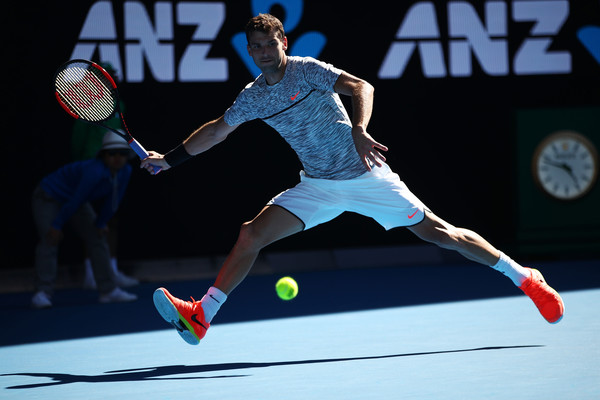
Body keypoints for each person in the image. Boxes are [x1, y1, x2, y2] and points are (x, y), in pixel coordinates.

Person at [141, 14, 564, 345]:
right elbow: (216, 130)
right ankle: (201, 317)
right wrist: (170, 160)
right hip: (318, 186)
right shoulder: (253, 96)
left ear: (283, 43)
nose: (265, 52)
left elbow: (361, 86)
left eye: (271, 44)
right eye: (257, 47)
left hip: (365, 176)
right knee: (250, 234)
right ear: (250, 52)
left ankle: (525, 278)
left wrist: (360, 129)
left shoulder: (307, 70)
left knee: (441, 234)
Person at [31, 132, 138, 308]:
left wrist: (101, 222)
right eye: (112, 153)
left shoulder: (126, 171)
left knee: (98, 237)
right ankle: (42, 292)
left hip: (75, 201)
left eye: (123, 153)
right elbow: (76, 200)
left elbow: (114, 202)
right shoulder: (93, 171)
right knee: (50, 238)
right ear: (104, 155)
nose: (118, 158)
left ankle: (108, 290)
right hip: (48, 196)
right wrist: (57, 225)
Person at [71, 63, 139, 289]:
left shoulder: (119, 106)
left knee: (111, 219)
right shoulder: (82, 107)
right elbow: (77, 142)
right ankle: (92, 273)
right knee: (92, 223)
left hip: (115, 169)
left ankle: (112, 270)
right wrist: (82, 168)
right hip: (90, 169)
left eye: (108, 80)